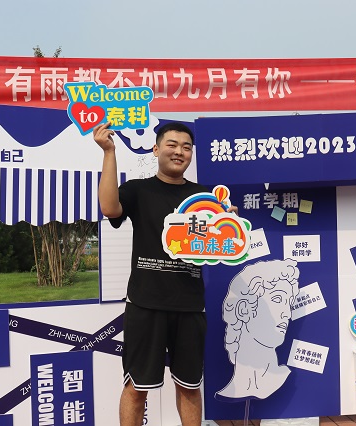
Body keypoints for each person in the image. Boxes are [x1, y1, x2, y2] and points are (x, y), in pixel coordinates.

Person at [93, 121, 237, 426]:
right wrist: (109, 152)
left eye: (186, 147)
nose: (179, 152)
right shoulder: (138, 189)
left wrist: (230, 225)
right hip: (145, 304)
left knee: (189, 386)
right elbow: (109, 208)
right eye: (172, 145)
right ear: (156, 149)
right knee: (136, 388)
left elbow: (223, 240)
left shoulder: (205, 198)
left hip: (190, 306)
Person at [216, 259, 300, 401]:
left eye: (289, 303)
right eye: (277, 299)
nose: (287, 314)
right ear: (243, 310)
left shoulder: (290, 380)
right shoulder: (224, 395)